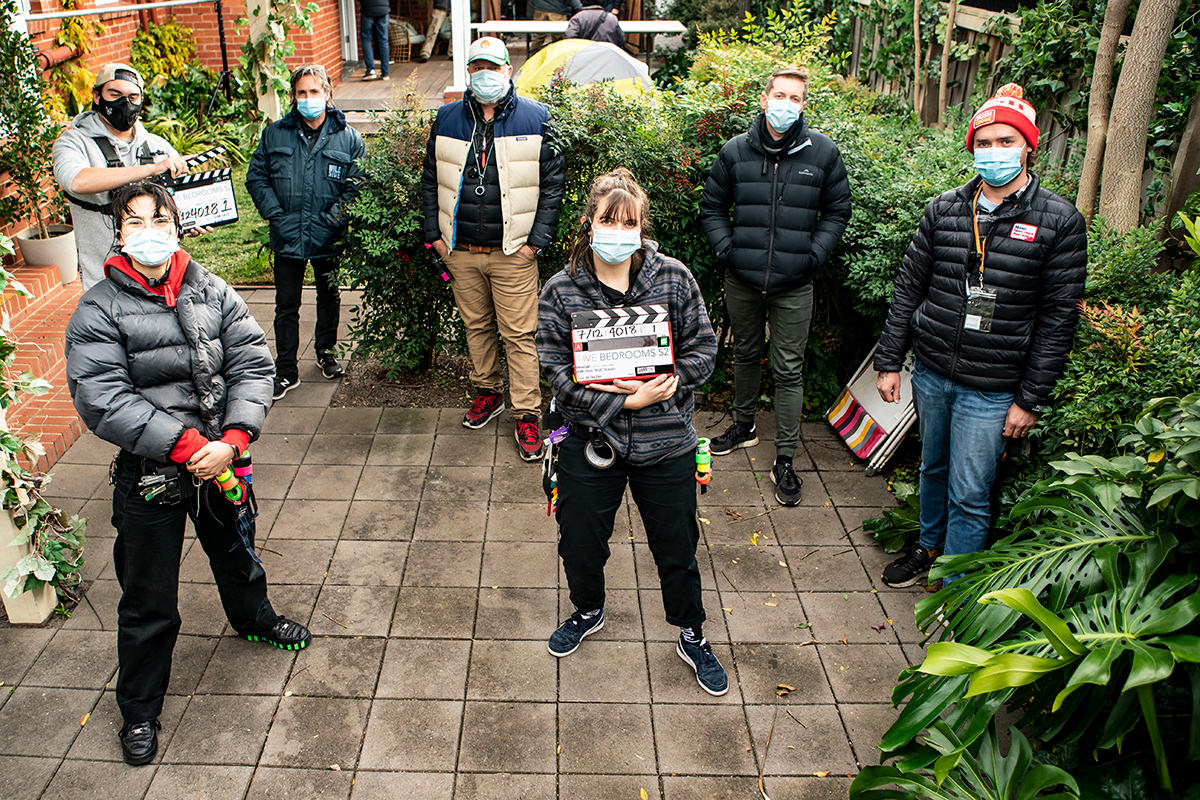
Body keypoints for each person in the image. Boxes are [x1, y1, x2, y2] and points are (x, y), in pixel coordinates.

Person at [64, 181, 312, 767]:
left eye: (160, 219)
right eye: (135, 221)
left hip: (222, 463)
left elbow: (252, 361)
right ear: (118, 233)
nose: (149, 231)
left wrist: (233, 437)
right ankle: (140, 710)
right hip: (153, 473)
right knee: (148, 598)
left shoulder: (211, 288)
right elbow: (103, 398)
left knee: (236, 552)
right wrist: (185, 443)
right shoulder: (99, 307)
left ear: (177, 225)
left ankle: (255, 619)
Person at [873, 84, 1087, 588]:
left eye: (1006, 141)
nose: (994, 152)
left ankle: (957, 584)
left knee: (971, 491)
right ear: (972, 146)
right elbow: (909, 288)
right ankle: (928, 546)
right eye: (985, 142)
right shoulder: (945, 209)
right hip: (932, 373)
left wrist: (1030, 399)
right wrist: (889, 360)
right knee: (931, 468)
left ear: (1028, 146)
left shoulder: (1059, 221)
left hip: (992, 389)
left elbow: (1059, 319)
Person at [537, 168, 728, 696]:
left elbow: (704, 351)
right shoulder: (561, 289)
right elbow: (554, 370)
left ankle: (691, 631)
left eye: (629, 223)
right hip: (590, 441)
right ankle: (588, 609)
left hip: (666, 438)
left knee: (677, 545)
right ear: (589, 223)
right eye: (608, 220)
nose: (618, 231)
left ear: (642, 227)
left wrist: (668, 384)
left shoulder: (674, 278)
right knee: (578, 541)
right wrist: (622, 400)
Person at [699, 65, 852, 507]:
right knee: (745, 353)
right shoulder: (735, 152)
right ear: (764, 99)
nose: (787, 105)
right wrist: (728, 252)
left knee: (788, 370)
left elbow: (837, 211)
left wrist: (811, 256)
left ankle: (785, 457)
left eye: (796, 98)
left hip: (794, 284)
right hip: (743, 279)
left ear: (804, 105)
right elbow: (712, 208)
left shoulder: (822, 154)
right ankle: (744, 426)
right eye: (780, 96)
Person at [420, 37, 565, 461]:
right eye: (477, 67)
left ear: (508, 70)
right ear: (468, 73)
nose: (486, 75)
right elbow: (431, 179)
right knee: (477, 328)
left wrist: (535, 243)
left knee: (519, 335)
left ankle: (526, 413)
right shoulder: (447, 118)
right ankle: (488, 392)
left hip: (512, 252)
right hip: (460, 249)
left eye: (494, 67)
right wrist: (436, 236)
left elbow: (553, 185)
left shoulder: (537, 117)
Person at [246, 64, 365, 400]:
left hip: (327, 235)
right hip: (287, 235)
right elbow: (257, 177)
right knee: (286, 305)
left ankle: (326, 353)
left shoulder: (349, 138)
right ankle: (286, 369)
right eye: (302, 92)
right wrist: (275, 215)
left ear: (327, 94)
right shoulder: (275, 134)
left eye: (315, 92)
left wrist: (332, 220)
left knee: (329, 296)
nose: (308, 98)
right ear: (294, 97)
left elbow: (357, 186)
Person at [52, 63, 190, 290]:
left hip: (161, 277)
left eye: (133, 97)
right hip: (104, 278)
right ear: (97, 96)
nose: (125, 104)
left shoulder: (157, 146)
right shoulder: (73, 143)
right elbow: (76, 181)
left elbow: (177, 204)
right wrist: (149, 170)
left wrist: (190, 223)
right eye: (115, 95)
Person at [359, 0, 391, 81]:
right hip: (383, 8)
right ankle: (385, 73)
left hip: (368, 9)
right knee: (384, 40)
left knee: (366, 38)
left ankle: (370, 70)